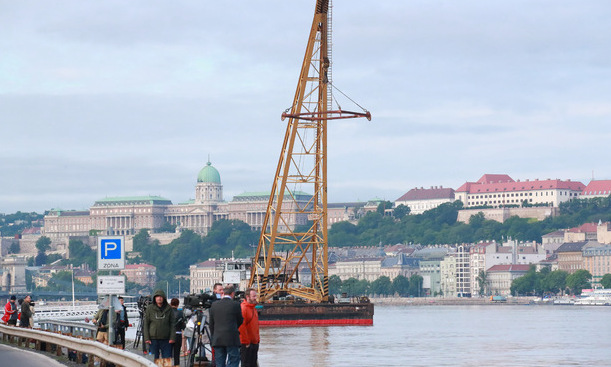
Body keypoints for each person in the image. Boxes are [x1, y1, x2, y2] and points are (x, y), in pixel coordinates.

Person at [209, 285, 243, 367]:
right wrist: (233, 328)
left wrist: (214, 335)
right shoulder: (236, 304)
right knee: (233, 360)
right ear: (233, 294)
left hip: (218, 338)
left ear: (223, 293)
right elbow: (240, 320)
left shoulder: (214, 305)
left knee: (219, 362)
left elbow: (211, 323)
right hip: (231, 337)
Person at [143, 289, 176, 365]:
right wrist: (147, 338)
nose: (159, 298)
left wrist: (172, 337)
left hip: (166, 339)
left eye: (161, 297)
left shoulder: (169, 309)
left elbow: (172, 324)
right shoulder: (149, 308)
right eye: (157, 297)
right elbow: (146, 324)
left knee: (167, 359)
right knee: (154, 359)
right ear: (154, 298)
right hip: (153, 339)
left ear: (164, 298)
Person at [239, 288, 260, 367]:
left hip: (254, 342)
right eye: (254, 296)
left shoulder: (253, 308)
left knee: (253, 364)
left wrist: (257, 339)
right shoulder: (244, 308)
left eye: (255, 296)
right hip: (247, 344)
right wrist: (246, 342)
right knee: (246, 364)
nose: (255, 298)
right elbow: (242, 326)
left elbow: (255, 326)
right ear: (247, 297)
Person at [170, 298, 185, 367]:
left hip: (169, 334)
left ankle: (168, 364)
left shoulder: (168, 312)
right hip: (178, 334)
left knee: (168, 352)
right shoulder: (180, 313)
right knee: (177, 353)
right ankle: (177, 364)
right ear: (178, 304)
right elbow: (183, 326)